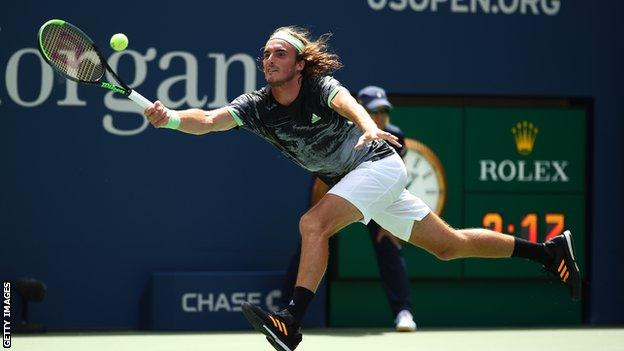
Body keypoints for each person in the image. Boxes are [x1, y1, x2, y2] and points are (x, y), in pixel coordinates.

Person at [143, 26, 581, 351]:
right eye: (266, 54)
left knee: (313, 223)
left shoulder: (318, 89)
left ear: (299, 63)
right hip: (357, 181)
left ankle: (291, 322)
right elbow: (211, 119)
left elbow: (348, 103)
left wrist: (371, 126)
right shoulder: (257, 107)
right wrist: (173, 118)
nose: (269, 59)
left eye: (279, 53)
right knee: (448, 246)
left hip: (378, 165)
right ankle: (547, 252)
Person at [279, 86, 417, 332]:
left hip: (373, 191)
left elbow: (396, 174)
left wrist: (390, 223)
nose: (381, 118)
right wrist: (320, 222)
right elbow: (322, 181)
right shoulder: (338, 131)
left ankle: (403, 311)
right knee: (311, 239)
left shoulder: (394, 135)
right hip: (336, 189)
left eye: (385, 111)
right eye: (375, 112)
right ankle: (285, 310)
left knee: (389, 243)